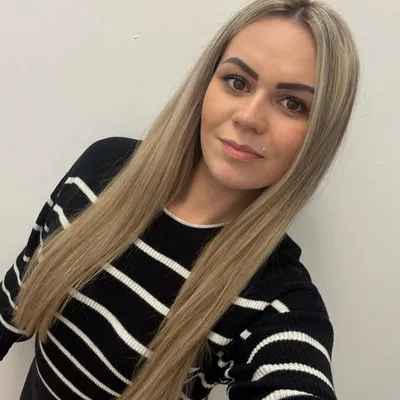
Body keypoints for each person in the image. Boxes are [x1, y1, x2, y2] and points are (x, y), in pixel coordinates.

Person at [0, 0, 360, 399]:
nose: (249, 117)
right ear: (207, 83)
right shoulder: (101, 171)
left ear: (319, 133)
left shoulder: (276, 298)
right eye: (237, 82)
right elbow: (15, 297)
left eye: (292, 103)